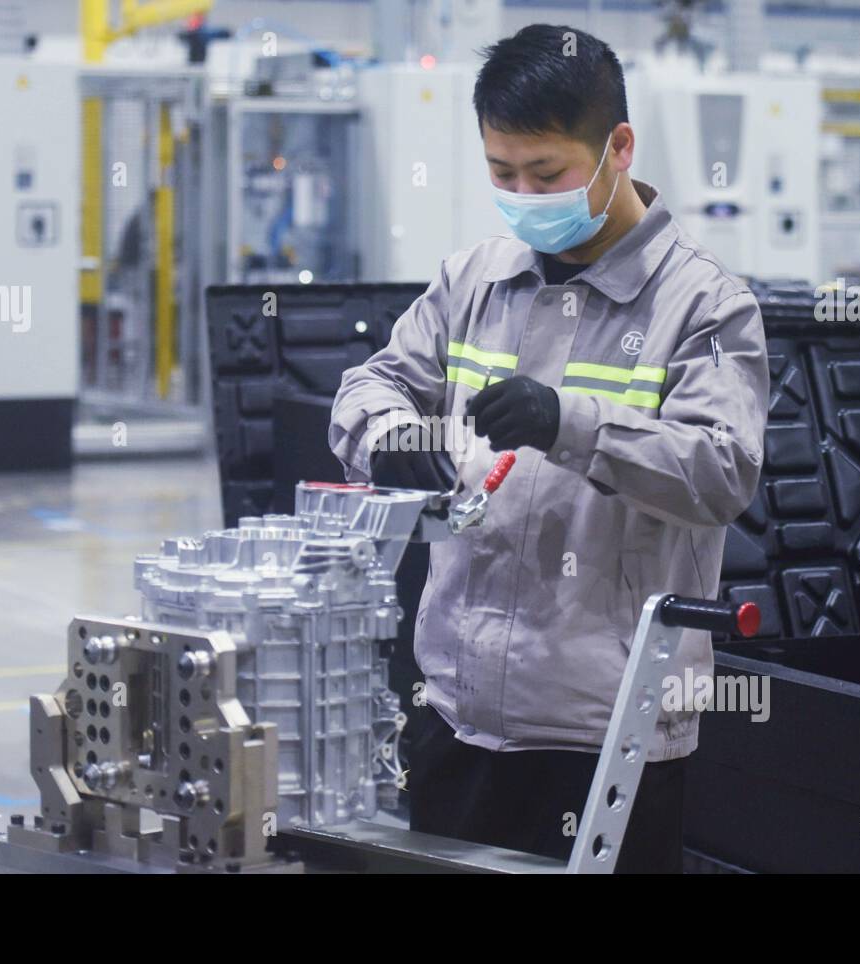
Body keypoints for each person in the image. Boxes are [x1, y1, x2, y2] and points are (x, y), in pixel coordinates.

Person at [329, 23, 769, 872]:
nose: (524, 194)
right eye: (502, 173)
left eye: (547, 173)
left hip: (608, 734)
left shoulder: (705, 307)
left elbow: (720, 472)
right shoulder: (475, 280)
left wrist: (572, 423)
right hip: (454, 713)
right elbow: (369, 387)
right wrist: (388, 439)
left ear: (618, 147)